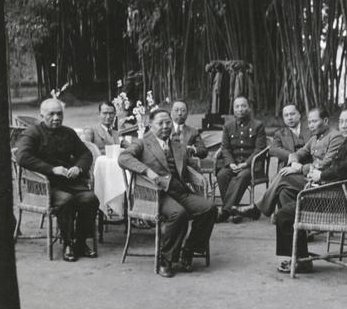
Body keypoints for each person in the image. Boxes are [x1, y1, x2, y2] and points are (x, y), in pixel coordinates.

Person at [118, 109, 217, 278]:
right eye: (160, 123)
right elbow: (123, 158)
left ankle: (189, 250)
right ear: (151, 126)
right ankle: (166, 259)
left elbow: (190, 167)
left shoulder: (178, 146)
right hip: (156, 194)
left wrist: (199, 178)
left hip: (180, 191)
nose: (165, 126)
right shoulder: (142, 143)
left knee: (210, 209)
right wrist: (147, 171)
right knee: (179, 214)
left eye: (168, 122)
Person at [275, 106, 347, 274]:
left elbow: (341, 170)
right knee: (287, 194)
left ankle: (301, 260)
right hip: (340, 194)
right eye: (341, 121)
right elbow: (340, 168)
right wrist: (318, 176)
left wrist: (320, 176)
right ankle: (299, 255)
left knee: (284, 213)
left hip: (341, 201)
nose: (344, 126)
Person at [16, 98, 99, 262]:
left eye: (59, 114)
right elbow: (22, 157)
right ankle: (68, 243)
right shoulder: (33, 133)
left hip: (70, 182)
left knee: (90, 199)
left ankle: (80, 243)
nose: (56, 118)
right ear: (42, 115)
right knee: (65, 200)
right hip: (46, 186)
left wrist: (78, 167)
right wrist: (52, 169)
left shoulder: (68, 132)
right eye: (51, 114)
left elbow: (85, 154)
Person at [233, 106, 343, 221]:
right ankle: (295, 230)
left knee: (283, 177)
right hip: (311, 178)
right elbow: (298, 153)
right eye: (309, 122)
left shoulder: (335, 136)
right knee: (284, 192)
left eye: (314, 122)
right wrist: (294, 161)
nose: (311, 125)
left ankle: (256, 209)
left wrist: (300, 169)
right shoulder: (315, 138)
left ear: (325, 121)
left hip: (324, 181)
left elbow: (327, 163)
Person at [216, 95, 267, 223]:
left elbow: (259, 149)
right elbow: (225, 148)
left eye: (244, 106)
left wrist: (245, 164)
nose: (240, 109)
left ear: (249, 108)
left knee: (242, 176)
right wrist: (231, 163)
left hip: (251, 166)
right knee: (222, 175)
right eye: (237, 106)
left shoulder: (258, 125)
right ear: (233, 109)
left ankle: (226, 211)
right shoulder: (228, 126)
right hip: (233, 164)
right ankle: (235, 210)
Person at [269, 104, 312, 169]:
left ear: (299, 115)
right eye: (286, 115)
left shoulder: (310, 129)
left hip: (311, 165)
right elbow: (273, 149)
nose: (289, 118)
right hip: (291, 166)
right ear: (283, 118)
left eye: (292, 114)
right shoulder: (280, 134)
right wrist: (290, 156)